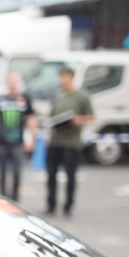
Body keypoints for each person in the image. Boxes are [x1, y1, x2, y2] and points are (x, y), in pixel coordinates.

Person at [45, 67, 94, 216]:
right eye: (61, 77)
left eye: (64, 77)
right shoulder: (58, 96)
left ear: (71, 78)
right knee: (51, 176)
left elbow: (90, 117)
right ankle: (51, 205)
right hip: (55, 142)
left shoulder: (82, 96)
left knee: (70, 177)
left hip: (72, 143)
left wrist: (78, 119)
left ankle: (68, 206)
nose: (62, 81)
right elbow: (51, 117)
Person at [0, 71, 36, 201]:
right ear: (7, 83)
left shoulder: (25, 99)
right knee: (2, 173)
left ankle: (15, 200)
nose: (13, 84)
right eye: (11, 81)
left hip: (17, 142)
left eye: (16, 81)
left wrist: (32, 138)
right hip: (1, 142)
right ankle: (2, 198)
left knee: (16, 172)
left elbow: (31, 119)